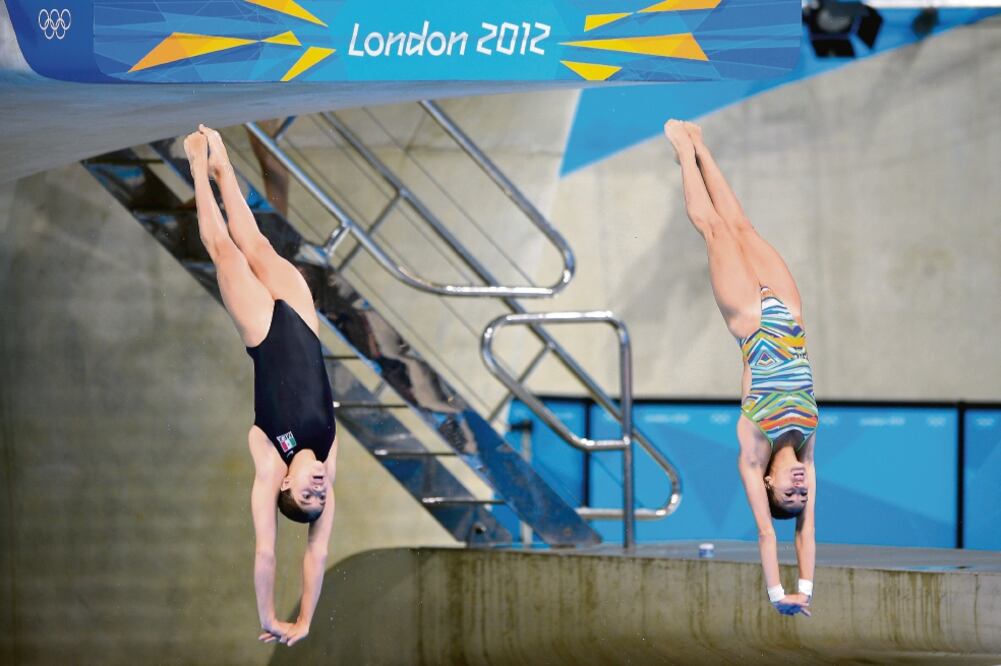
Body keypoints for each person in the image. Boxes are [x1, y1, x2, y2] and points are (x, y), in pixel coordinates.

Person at [182, 125, 338, 645]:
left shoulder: (270, 463)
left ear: (288, 489)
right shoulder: (327, 459)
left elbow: (269, 551)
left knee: (225, 250)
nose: (319, 490)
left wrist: (271, 616)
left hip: (263, 332)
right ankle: (223, 166)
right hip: (301, 319)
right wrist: (309, 620)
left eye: (308, 496)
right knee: (257, 241)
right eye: (323, 497)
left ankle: (196, 161)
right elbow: (317, 552)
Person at [664, 120, 816, 617]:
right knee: (744, 226)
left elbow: (770, 533)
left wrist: (782, 594)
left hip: (749, 319)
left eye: (790, 495)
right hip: (790, 315)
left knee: (715, 230)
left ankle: (684, 151)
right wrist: (809, 588)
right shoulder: (808, 447)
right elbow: (808, 530)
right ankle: (703, 144)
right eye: (803, 494)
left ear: (769, 485)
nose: (799, 489)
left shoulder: (753, 450)